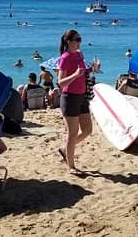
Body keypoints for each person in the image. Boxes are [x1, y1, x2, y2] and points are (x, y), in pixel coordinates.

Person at [56, 29, 98, 175]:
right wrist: (74, 75)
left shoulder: (79, 54)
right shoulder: (65, 58)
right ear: (69, 41)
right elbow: (60, 83)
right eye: (77, 39)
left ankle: (64, 149)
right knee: (72, 133)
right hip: (69, 98)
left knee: (87, 130)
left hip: (82, 96)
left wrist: (93, 69)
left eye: (80, 39)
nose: (80, 42)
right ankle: (71, 167)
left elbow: (83, 73)